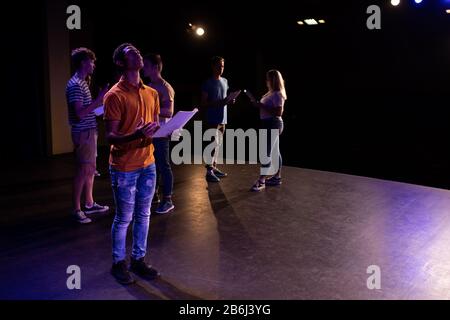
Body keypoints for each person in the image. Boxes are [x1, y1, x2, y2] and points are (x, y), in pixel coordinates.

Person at [104, 43, 161, 284]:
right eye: (130, 52)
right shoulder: (114, 95)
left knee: (144, 214)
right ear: (120, 62)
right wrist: (135, 135)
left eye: (138, 50)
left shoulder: (152, 93)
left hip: (148, 162)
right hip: (124, 167)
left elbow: (155, 124)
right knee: (124, 218)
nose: (137, 53)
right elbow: (111, 136)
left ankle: (138, 260)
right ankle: (119, 263)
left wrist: (164, 128)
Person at [65, 47, 110, 224]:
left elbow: (86, 109)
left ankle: (89, 203)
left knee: (90, 169)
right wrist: (99, 100)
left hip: (89, 132)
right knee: (83, 170)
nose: (93, 64)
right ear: (83, 63)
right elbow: (80, 113)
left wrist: (99, 105)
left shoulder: (83, 82)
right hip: (83, 132)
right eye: (91, 61)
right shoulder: (76, 84)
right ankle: (77, 208)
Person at [142, 53, 175, 215]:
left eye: (146, 65)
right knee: (151, 167)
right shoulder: (147, 86)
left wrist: (150, 110)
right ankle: (153, 195)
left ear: (155, 67)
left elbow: (169, 111)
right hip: (149, 133)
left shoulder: (165, 87)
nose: (143, 68)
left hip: (161, 133)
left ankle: (167, 199)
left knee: (163, 166)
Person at [200, 56, 240, 182]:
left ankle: (214, 167)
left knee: (218, 145)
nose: (221, 68)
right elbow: (204, 103)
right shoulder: (208, 83)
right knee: (211, 144)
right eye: (218, 66)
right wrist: (220, 102)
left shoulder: (225, 81)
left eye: (222, 66)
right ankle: (209, 171)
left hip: (223, 118)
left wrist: (230, 100)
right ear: (213, 67)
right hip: (212, 118)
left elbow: (224, 98)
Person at [246, 70, 287, 192]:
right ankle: (277, 177)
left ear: (273, 80)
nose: (266, 81)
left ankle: (262, 180)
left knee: (266, 152)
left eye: (268, 79)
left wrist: (261, 106)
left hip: (273, 123)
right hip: (269, 123)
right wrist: (258, 104)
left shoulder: (278, 94)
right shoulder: (271, 93)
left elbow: (278, 112)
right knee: (275, 151)